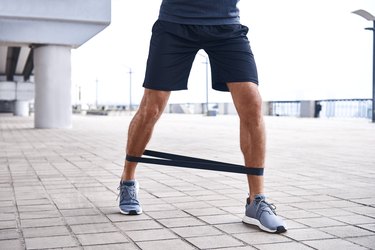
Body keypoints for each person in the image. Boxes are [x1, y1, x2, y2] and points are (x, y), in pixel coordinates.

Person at [118, 0, 287, 234]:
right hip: (175, 23)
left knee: (252, 102)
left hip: (226, 26)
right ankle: (127, 180)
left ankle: (256, 201)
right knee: (152, 107)